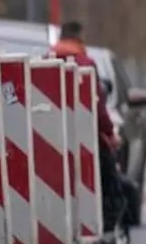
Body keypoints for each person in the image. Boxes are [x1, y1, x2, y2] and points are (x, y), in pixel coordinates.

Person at [50, 21, 118, 154]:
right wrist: (110, 134)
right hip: (84, 136)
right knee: (110, 171)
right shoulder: (86, 64)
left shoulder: (46, 62)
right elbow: (98, 106)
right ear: (79, 38)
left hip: (51, 136)